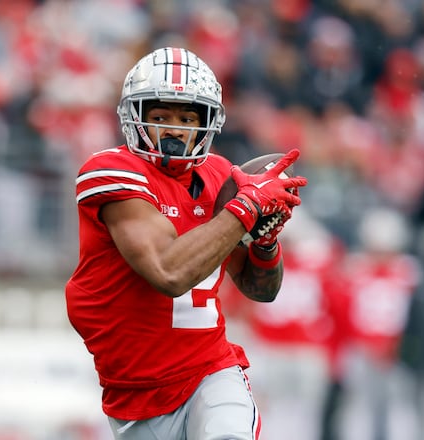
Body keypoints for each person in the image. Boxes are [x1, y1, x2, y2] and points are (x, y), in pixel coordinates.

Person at [65, 47, 307, 440]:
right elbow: (168, 272)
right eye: (160, 116)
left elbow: (260, 289)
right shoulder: (110, 170)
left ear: (208, 122)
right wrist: (245, 209)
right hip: (134, 392)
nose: (175, 129)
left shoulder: (220, 175)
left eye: (187, 117)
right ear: (135, 117)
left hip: (210, 370)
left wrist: (265, 242)